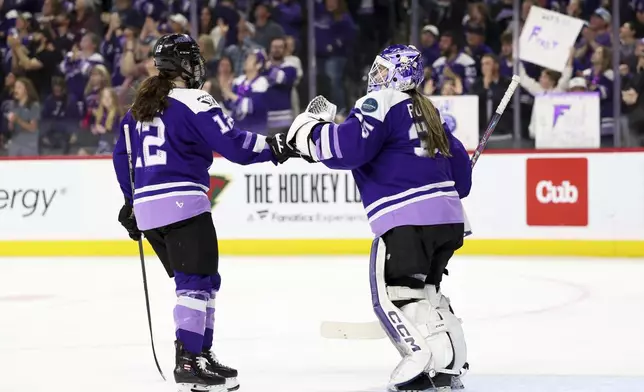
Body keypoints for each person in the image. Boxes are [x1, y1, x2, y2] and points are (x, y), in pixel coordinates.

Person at [273, 44, 471, 391]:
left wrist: (308, 130)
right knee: (426, 292)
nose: (375, 77)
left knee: (394, 297)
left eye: (382, 70)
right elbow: (463, 180)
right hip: (449, 222)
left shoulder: (381, 101)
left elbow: (348, 148)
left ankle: (416, 359)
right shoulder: (430, 111)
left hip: (407, 219)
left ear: (398, 74)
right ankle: (449, 364)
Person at [112, 34, 288, 392]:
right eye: (194, 61)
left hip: (149, 213)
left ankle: (201, 356)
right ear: (185, 66)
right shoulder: (195, 100)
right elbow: (235, 145)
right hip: (184, 206)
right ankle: (189, 360)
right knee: (195, 284)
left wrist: (132, 202)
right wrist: (276, 147)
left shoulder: (137, 111)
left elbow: (122, 158)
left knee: (203, 281)